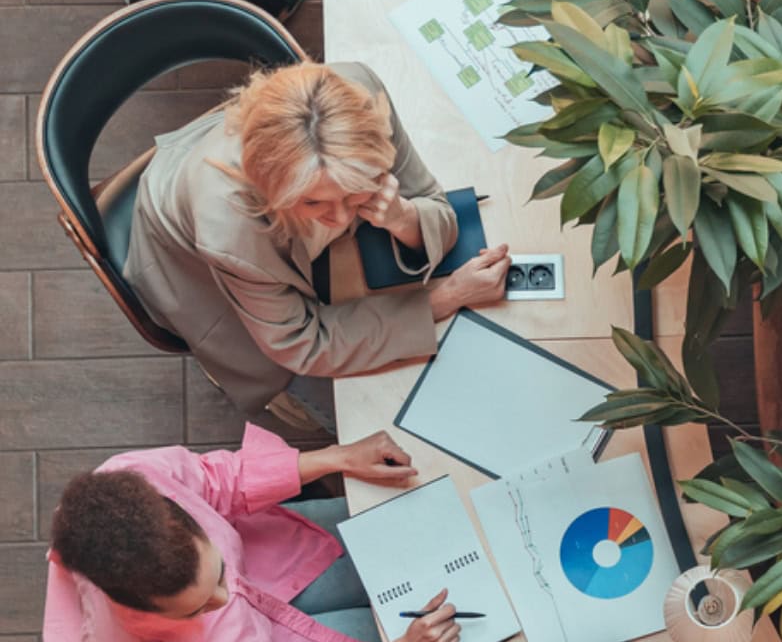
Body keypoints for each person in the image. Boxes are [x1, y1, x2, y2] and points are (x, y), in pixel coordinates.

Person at [123, 59, 511, 428]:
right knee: (347, 404)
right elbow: (300, 344)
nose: (341, 219)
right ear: (270, 183)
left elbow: (433, 204)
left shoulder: (360, 94)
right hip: (193, 272)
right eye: (314, 201)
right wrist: (444, 299)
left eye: (353, 193)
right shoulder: (230, 229)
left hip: (261, 224)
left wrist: (402, 216)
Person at [43, 424, 458, 642]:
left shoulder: (130, 479)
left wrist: (339, 456)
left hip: (265, 558)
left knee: (418, 526)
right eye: (196, 610)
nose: (226, 602)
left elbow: (215, 479)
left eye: (217, 576)